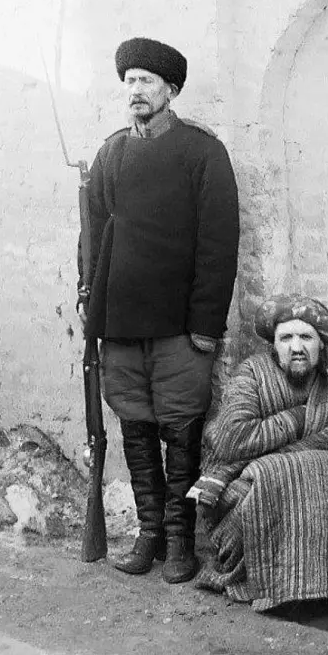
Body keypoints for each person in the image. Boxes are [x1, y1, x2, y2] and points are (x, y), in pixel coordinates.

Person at [79, 37, 239, 584]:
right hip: (120, 326)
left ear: (171, 90)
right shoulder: (111, 154)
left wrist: (205, 326)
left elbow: (219, 247)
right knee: (136, 428)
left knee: (180, 429)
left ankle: (179, 541)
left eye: (147, 81)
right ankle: (148, 534)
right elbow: (93, 237)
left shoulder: (202, 152)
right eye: (129, 82)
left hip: (179, 329)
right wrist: (92, 309)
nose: (136, 91)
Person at [189, 294, 328, 611]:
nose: (296, 347)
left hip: (311, 492)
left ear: (322, 344)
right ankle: (273, 587)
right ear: (274, 344)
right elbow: (232, 438)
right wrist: (298, 418)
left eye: (306, 337)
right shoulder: (253, 374)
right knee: (268, 480)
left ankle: (322, 587)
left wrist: (280, 461)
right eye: (286, 338)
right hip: (243, 485)